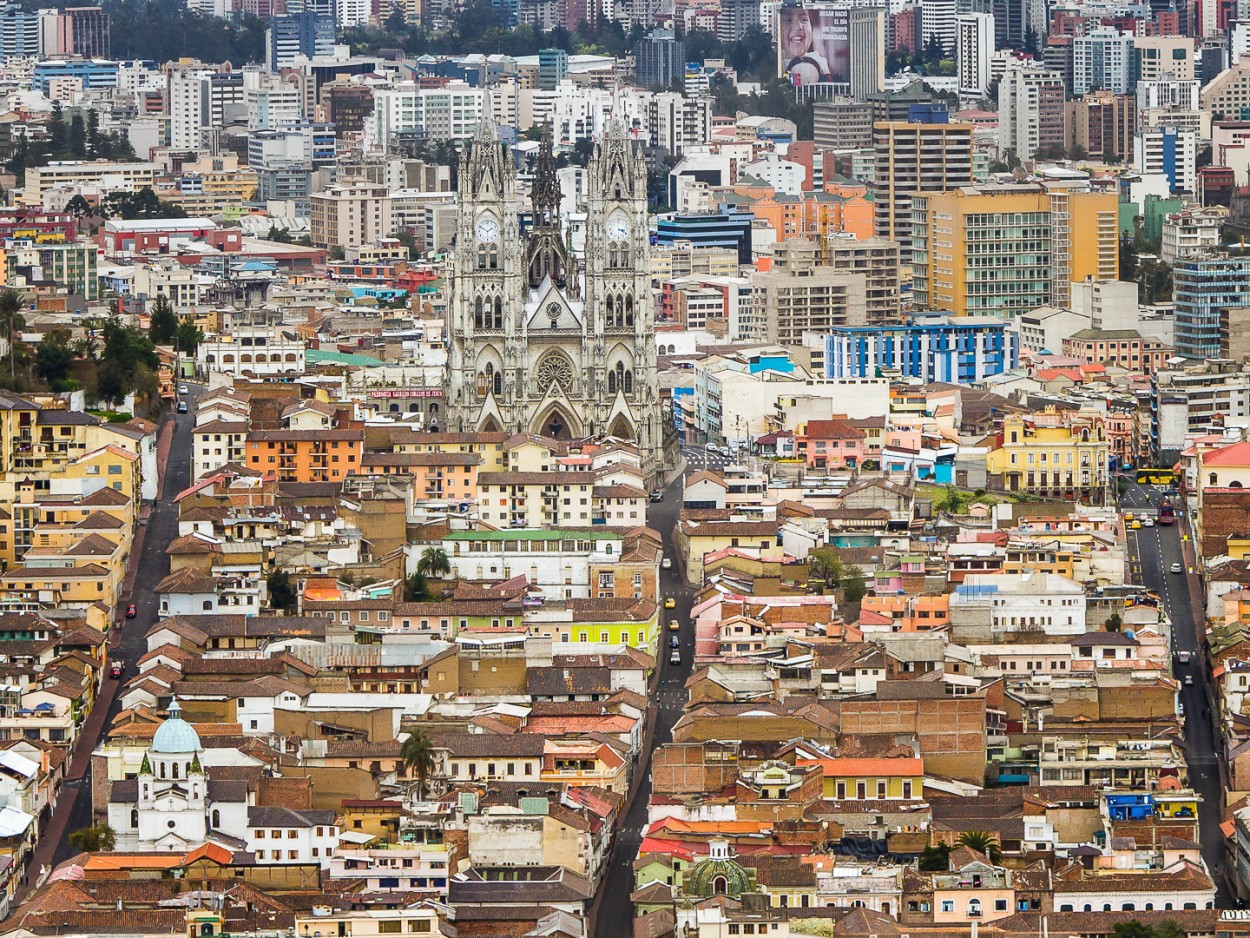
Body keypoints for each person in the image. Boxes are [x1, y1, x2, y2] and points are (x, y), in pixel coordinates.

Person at [781, 5, 830, 85]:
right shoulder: (780, 65)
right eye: (789, 20)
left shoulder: (821, 62)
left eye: (804, 20)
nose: (797, 27)